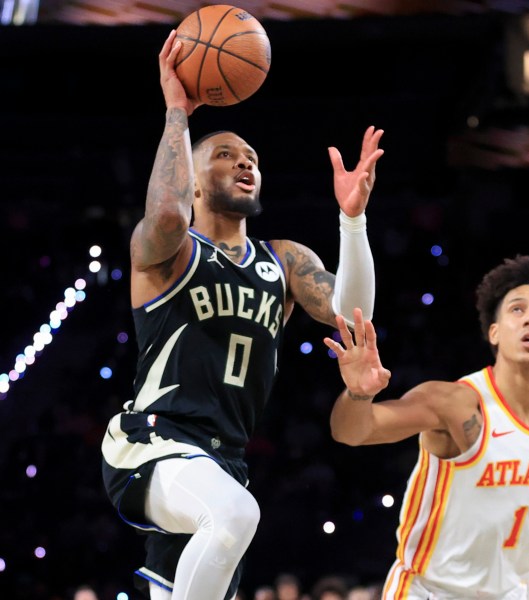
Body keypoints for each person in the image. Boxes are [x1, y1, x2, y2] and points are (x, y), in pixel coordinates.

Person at [100, 29, 384, 600]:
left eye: (251, 157)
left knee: (198, 562)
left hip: (223, 460)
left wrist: (351, 220)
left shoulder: (283, 260)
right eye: (225, 155)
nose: (244, 163)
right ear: (195, 182)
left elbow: (353, 312)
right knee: (233, 516)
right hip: (154, 439)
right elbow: (164, 213)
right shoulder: (170, 252)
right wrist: (177, 113)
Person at [324, 254, 529, 599]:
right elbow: (351, 432)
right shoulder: (454, 402)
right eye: (517, 310)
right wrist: (358, 394)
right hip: (429, 591)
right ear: (494, 332)